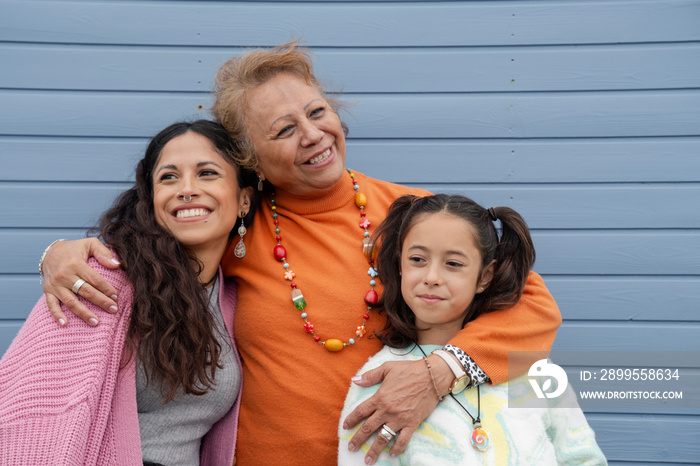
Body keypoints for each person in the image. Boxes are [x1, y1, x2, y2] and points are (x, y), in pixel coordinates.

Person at [39, 42, 562, 465]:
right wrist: (58, 254)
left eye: (317, 113)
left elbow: (533, 306)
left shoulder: (410, 216)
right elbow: (144, 248)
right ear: (251, 161)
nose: (313, 135)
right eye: (285, 130)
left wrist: (441, 371)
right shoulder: (236, 223)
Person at [0, 120, 255, 465]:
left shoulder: (233, 299)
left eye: (207, 173)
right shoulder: (104, 279)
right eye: (168, 177)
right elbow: (31, 410)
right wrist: (53, 253)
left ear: (243, 200)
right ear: (151, 201)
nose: (187, 189)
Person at [339, 194, 606, 465]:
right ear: (399, 264)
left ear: (485, 276)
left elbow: (583, 456)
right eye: (418, 259)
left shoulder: (531, 371)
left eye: (453, 264)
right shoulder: (380, 379)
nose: (432, 277)